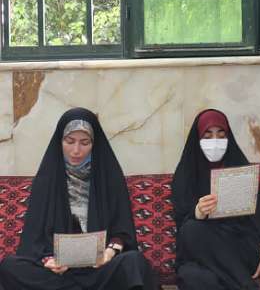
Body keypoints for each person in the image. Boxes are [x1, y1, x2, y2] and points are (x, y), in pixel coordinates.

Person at [0, 107, 157, 290]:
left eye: (84, 143)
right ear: (60, 141)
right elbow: (33, 239)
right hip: (57, 273)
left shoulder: (110, 178)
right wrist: (48, 261)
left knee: (134, 262)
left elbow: (123, 232)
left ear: (94, 144)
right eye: (69, 141)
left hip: (99, 270)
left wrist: (109, 253)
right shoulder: (46, 180)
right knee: (10, 267)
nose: (76, 150)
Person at [172, 109, 260, 290]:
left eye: (221, 136)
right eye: (207, 136)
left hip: (240, 248)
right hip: (202, 253)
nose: (215, 142)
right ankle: (247, 285)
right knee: (193, 263)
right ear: (197, 139)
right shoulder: (186, 174)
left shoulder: (241, 169)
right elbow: (182, 230)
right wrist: (197, 212)